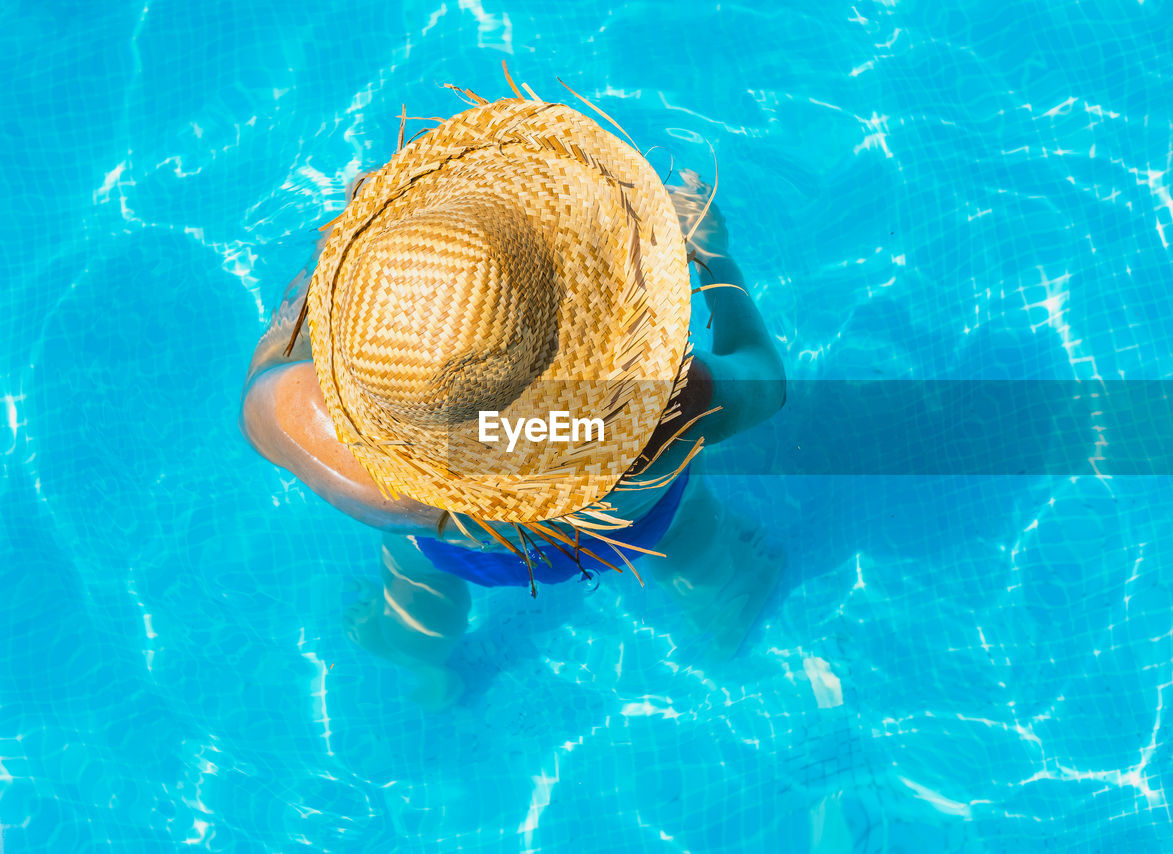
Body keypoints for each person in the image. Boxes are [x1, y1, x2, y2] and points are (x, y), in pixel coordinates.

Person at [240, 92, 785, 708]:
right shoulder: (669, 403)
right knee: (692, 537)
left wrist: (343, 266)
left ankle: (423, 665)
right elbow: (766, 379)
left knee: (416, 583)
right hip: (632, 523)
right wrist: (716, 259)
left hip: (466, 547)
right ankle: (723, 612)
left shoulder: (345, 457)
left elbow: (262, 392)